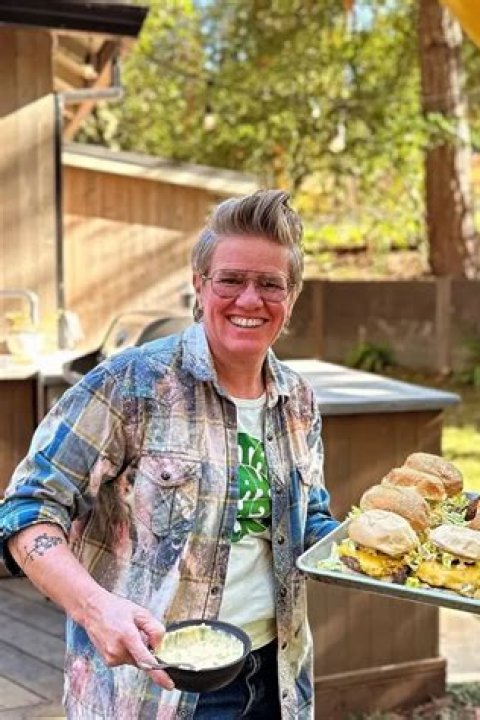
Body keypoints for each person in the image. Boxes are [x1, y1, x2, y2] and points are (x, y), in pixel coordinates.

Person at [0, 189, 339, 719]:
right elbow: (25, 509)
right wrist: (95, 608)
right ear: (199, 284)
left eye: (270, 284)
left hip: (278, 681)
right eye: (231, 280)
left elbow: (310, 519)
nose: (250, 300)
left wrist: (392, 548)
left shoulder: (298, 400)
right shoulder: (130, 384)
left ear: (291, 296)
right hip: (152, 686)